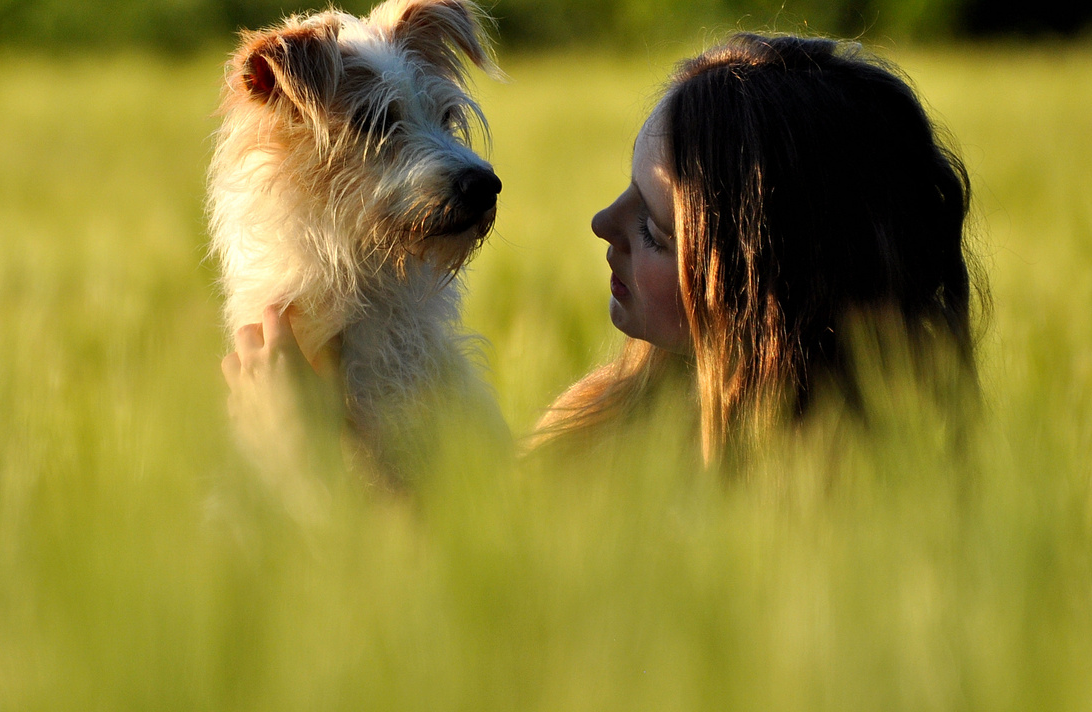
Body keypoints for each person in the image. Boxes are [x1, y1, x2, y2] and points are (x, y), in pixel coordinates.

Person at [221, 33, 980, 477]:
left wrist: (306, 460)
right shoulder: (595, 431)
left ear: (762, 287)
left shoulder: (788, 511)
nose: (599, 223)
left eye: (654, 227)